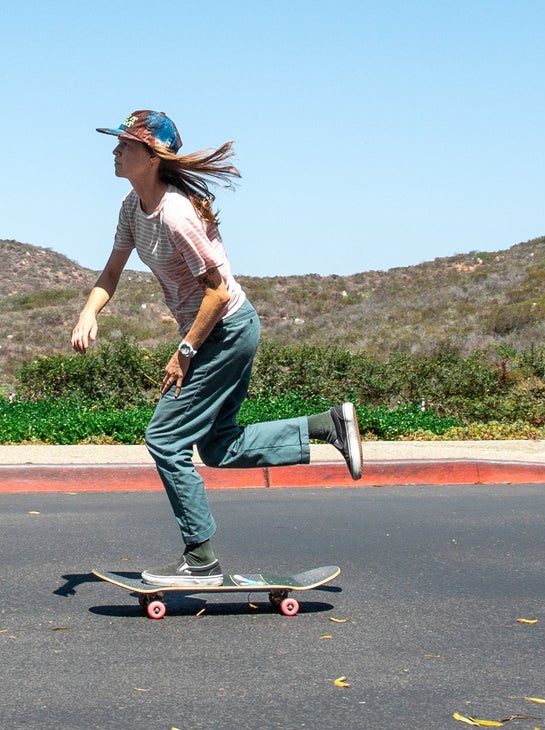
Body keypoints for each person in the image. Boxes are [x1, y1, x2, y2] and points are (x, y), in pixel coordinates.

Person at [71, 109, 363, 587]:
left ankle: (201, 560)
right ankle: (324, 425)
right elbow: (111, 272)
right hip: (214, 332)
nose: (115, 151)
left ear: (151, 156)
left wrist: (184, 353)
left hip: (224, 331)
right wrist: (88, 313)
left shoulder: (177, 215)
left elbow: (218, 293)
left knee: (164, 439)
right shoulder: (132, 207)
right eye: (117, 143)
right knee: (219, 447)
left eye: (125, 144)